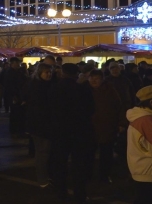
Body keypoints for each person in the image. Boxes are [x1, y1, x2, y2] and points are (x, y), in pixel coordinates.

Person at [50, 63, 96, 202]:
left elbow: (50, 110)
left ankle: (61, 192)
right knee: (79, 165)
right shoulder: (83, 88)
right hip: (80, 131)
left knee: (60, 163)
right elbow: (91, 108)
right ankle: (80, 194)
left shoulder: (55, 88)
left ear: (63, 72)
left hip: (60, 131)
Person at [89, 69, 125, 183]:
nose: (94, 81)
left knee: (106, 153)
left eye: (97, 78)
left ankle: (104, 175)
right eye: (92, 78)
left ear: (102, 79)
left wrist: (121, 123)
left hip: (107, 126)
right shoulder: (84, 90)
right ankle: (88, 175)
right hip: (90, 128)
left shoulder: (110, 90)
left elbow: (119, 106)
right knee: (89, 153)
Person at [22, 63, 54, 188]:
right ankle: (42, 178)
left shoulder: (47, 85)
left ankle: (45, 176)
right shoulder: (36, 86)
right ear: (40, 73)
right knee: (42, 152)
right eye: (46, 72)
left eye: (50, 72)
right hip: (39, 124)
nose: (49, 74)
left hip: (44, 123)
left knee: (45, 151)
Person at [3, 57, 28, 138]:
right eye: (16, 63)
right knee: (15, 113)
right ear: (12, 63)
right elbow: (9, 86)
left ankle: (16, 130)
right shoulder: (10, 73)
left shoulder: (17, 72)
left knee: (17, 113)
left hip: (18, 95)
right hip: (14, 96)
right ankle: (15, 130)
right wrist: (13, 96)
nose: (18, 64)